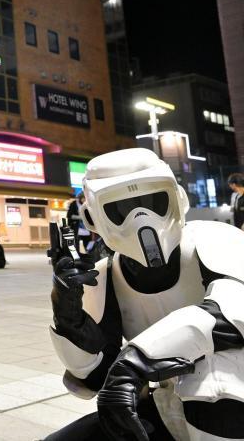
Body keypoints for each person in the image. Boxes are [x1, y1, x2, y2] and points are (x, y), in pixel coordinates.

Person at [46, 148, 244, 440]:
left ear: (179, 199)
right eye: (120, 208)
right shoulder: (104, 276)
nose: (141, 218)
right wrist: (70, 320)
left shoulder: (214, 238)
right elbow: (95, 377)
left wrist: (135, 360)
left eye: (152, 201)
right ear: (92, 217)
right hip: (167, 406)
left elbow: (234, 312)